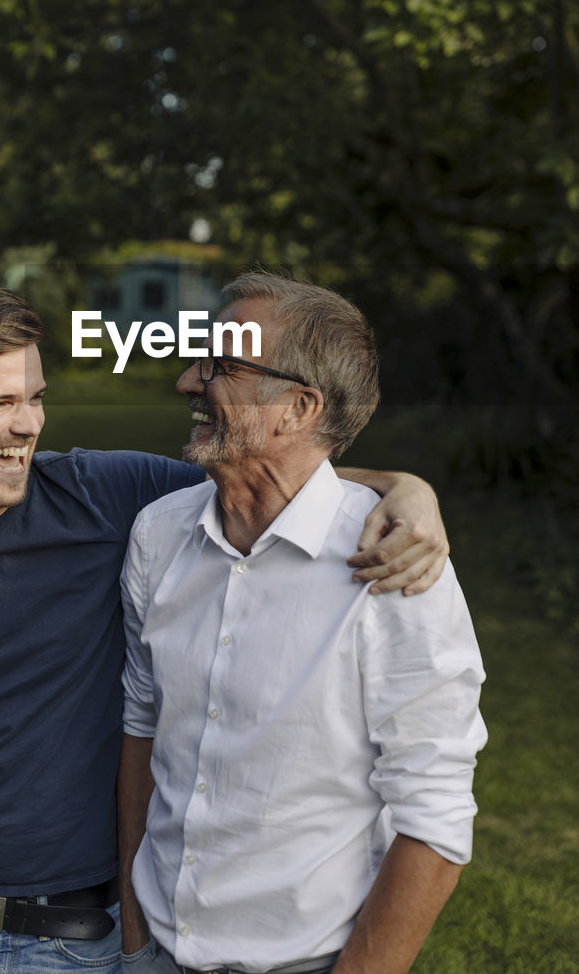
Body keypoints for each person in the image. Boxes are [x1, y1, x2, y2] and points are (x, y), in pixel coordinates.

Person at [0, 286, 452, 974]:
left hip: (80, 937)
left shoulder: (105, 495)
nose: (28, 425)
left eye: (34, 397)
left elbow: (266, 471)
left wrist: (404, 485)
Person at [118, 273, 487, 974]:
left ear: (297, 406)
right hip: (153, 952)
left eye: (221, 365)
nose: (187, 381)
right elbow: (140, 727)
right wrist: (134, 939)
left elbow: (434, 819)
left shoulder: (392, 563)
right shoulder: (157, 533)